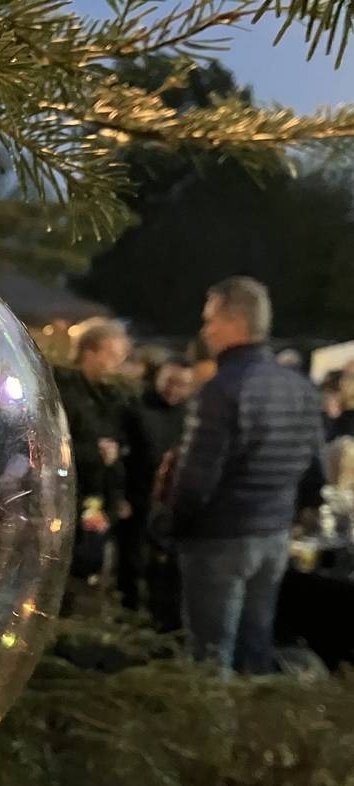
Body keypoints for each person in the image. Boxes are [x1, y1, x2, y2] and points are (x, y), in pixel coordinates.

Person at [172, 277, 323, 675]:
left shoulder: (221, 390)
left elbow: (196, 479)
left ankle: (211, 734)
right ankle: (254, 727)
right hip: (273, 535)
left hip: (220, 538)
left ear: (235, 322)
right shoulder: (301, 389)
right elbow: (314, 469)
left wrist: (170, 525)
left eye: (211, 320)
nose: (205, 330)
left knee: (208, 656)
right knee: (254, 644)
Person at [55, 318, 131, 580]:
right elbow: (55, 444)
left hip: (94, 496)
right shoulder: (64, 391)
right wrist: (95, 453)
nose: (116, 364)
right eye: (111, 355)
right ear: (89, 352)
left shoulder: (109, 397)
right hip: (66, 495)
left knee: (87, 560)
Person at [121, 359, 194, 623]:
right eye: (169, 382)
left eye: (182, 384)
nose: (174, 390)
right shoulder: (136, 407)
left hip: (170, 503)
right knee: (131, 562)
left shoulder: (190, 414)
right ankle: (127, 615)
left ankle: (158, 620)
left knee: (163, 568)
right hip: (137, 497)